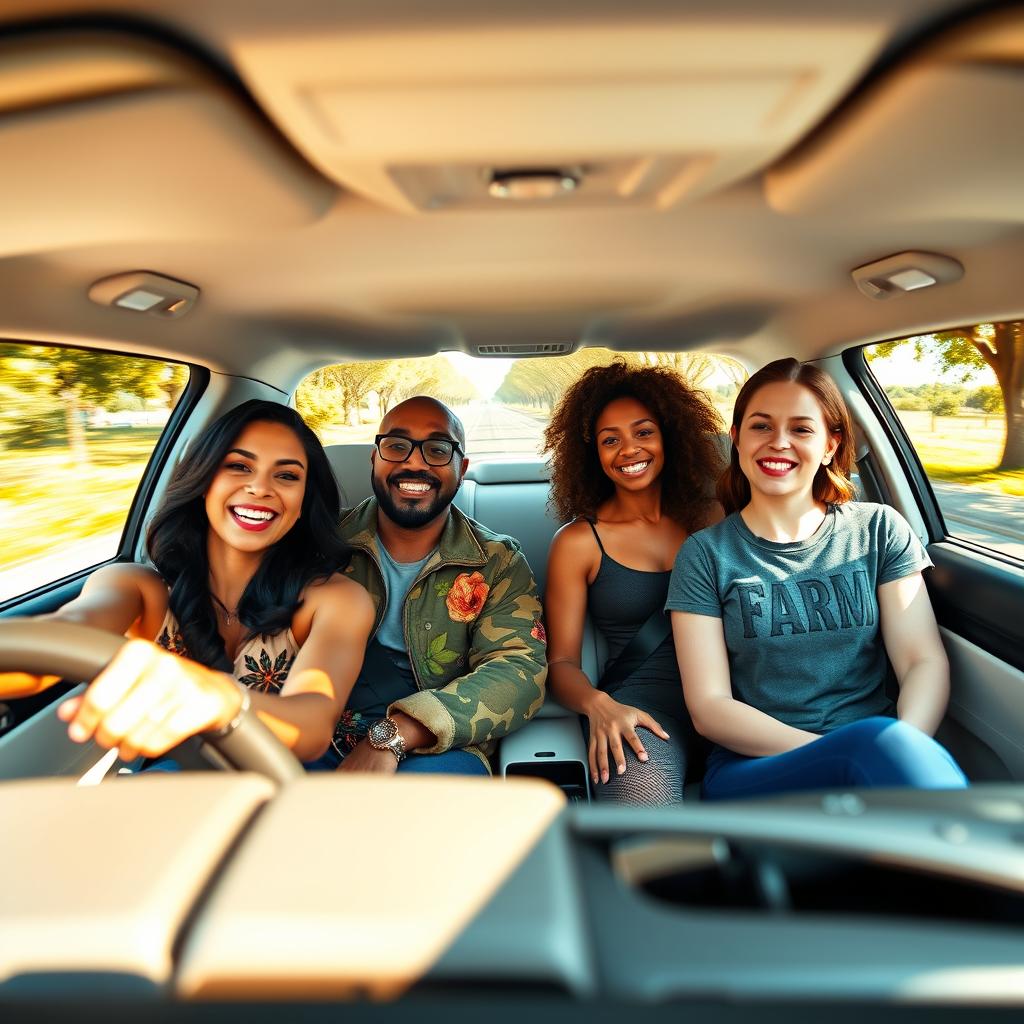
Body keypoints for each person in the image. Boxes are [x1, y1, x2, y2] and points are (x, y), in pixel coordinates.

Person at [0, 399, 373, 767]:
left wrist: (220, 700)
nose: (260, 488)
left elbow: (310, 726)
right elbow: (71, 631)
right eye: (238, 466)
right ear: (203, 479)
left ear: (305, 498)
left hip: (282, 792)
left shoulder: (337, 599)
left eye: (287, 475)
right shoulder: (136, 587)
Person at [667, 358, 967, 800]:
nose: (778, 443)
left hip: (878, 754)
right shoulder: (705, 554)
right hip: (757, 768)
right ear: (737, 438)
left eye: (802, 430)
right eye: (761, 427)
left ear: (831, 444)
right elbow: (711, 709)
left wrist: (904, 743)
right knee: (876, 750)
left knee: (884, 750)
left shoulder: (878, 530)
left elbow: (922, 660)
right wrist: (840, 755)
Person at [333, 395, 547, 775]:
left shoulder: (497, 562)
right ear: (374, 457)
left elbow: (519, 670)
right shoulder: (323, 545)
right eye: (397, 446)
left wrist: (398, 731)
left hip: (440, 745)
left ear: (460, 468)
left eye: (437, 449)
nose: (414, 463)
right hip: (320, 729)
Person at [542, 361, 724, 804]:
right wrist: (599, 705)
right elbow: (561, 663)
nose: (628, 450)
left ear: (671, 436)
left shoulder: (715, 519)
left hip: (737, 700)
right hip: (642, 712)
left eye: (643, 432)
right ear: (592, 454)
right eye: (610, 440)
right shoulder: (579, 542)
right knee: (652, 843)